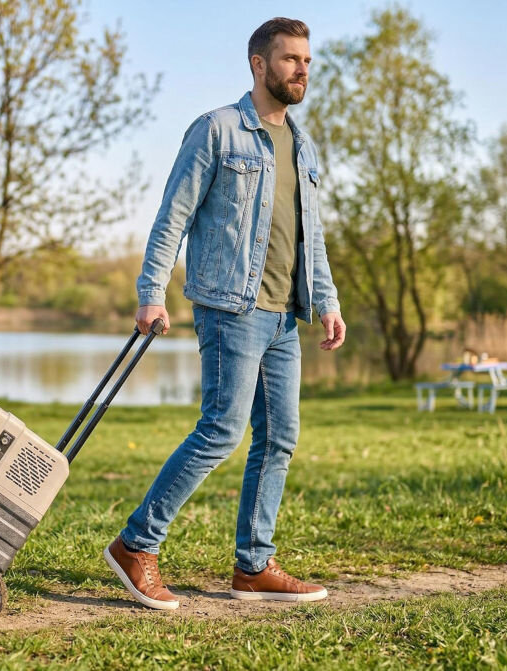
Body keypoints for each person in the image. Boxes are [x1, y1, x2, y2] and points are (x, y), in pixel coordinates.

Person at [103, 17, 346, 610]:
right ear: (259, 64)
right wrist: (152, 291)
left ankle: (253, 566)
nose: (302, 70)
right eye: (290, 59)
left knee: (280, 438)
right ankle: (136, 545)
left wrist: (328, 301)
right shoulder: (216, 130)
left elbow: (310, 238)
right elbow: (173, 216)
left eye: (307, 60)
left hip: (285, 316)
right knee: (220, 431)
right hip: (230, 308)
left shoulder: (304, 147)